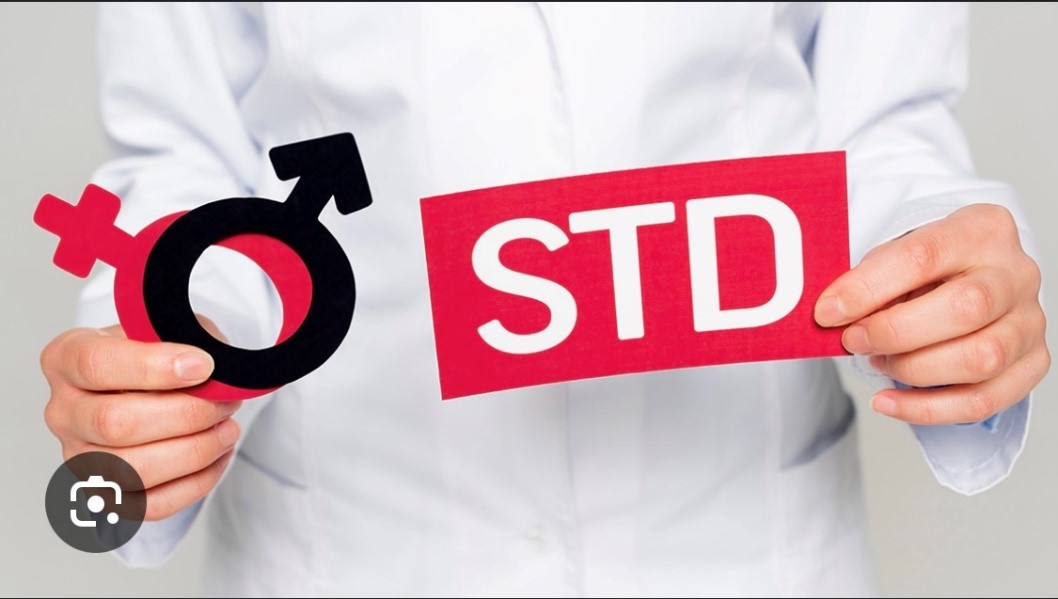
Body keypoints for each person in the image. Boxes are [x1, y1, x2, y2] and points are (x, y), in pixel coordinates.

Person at [40, 3, 1048, 596]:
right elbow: (188, 153)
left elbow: (879, 130)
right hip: (359, 538)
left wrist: (935, 272)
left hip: (733, 539)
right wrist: (176, 355)